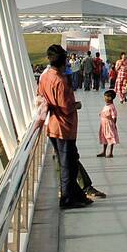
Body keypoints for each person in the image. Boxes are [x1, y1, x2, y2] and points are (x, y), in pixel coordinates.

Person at [37, 44, 91, 209]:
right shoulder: (60, 80)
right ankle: (67, 199)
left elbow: (40, 95)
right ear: (63, 61)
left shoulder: (45, 77)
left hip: (52, 125)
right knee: (68, 165)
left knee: (70, 161)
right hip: (64, 127)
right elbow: (66, 107)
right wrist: (77, 105)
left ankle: (77, 195)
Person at [97, 89, 119, 158]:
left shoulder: (112, 107)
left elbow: (114, 116)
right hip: (104, 124)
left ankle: (110, 152)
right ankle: (104, 151)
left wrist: (114, 124)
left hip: (109, 125)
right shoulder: (106, 105)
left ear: (110, 98)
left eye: (105, 97)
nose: (104, 98)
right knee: (104, 137)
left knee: (110, 137)